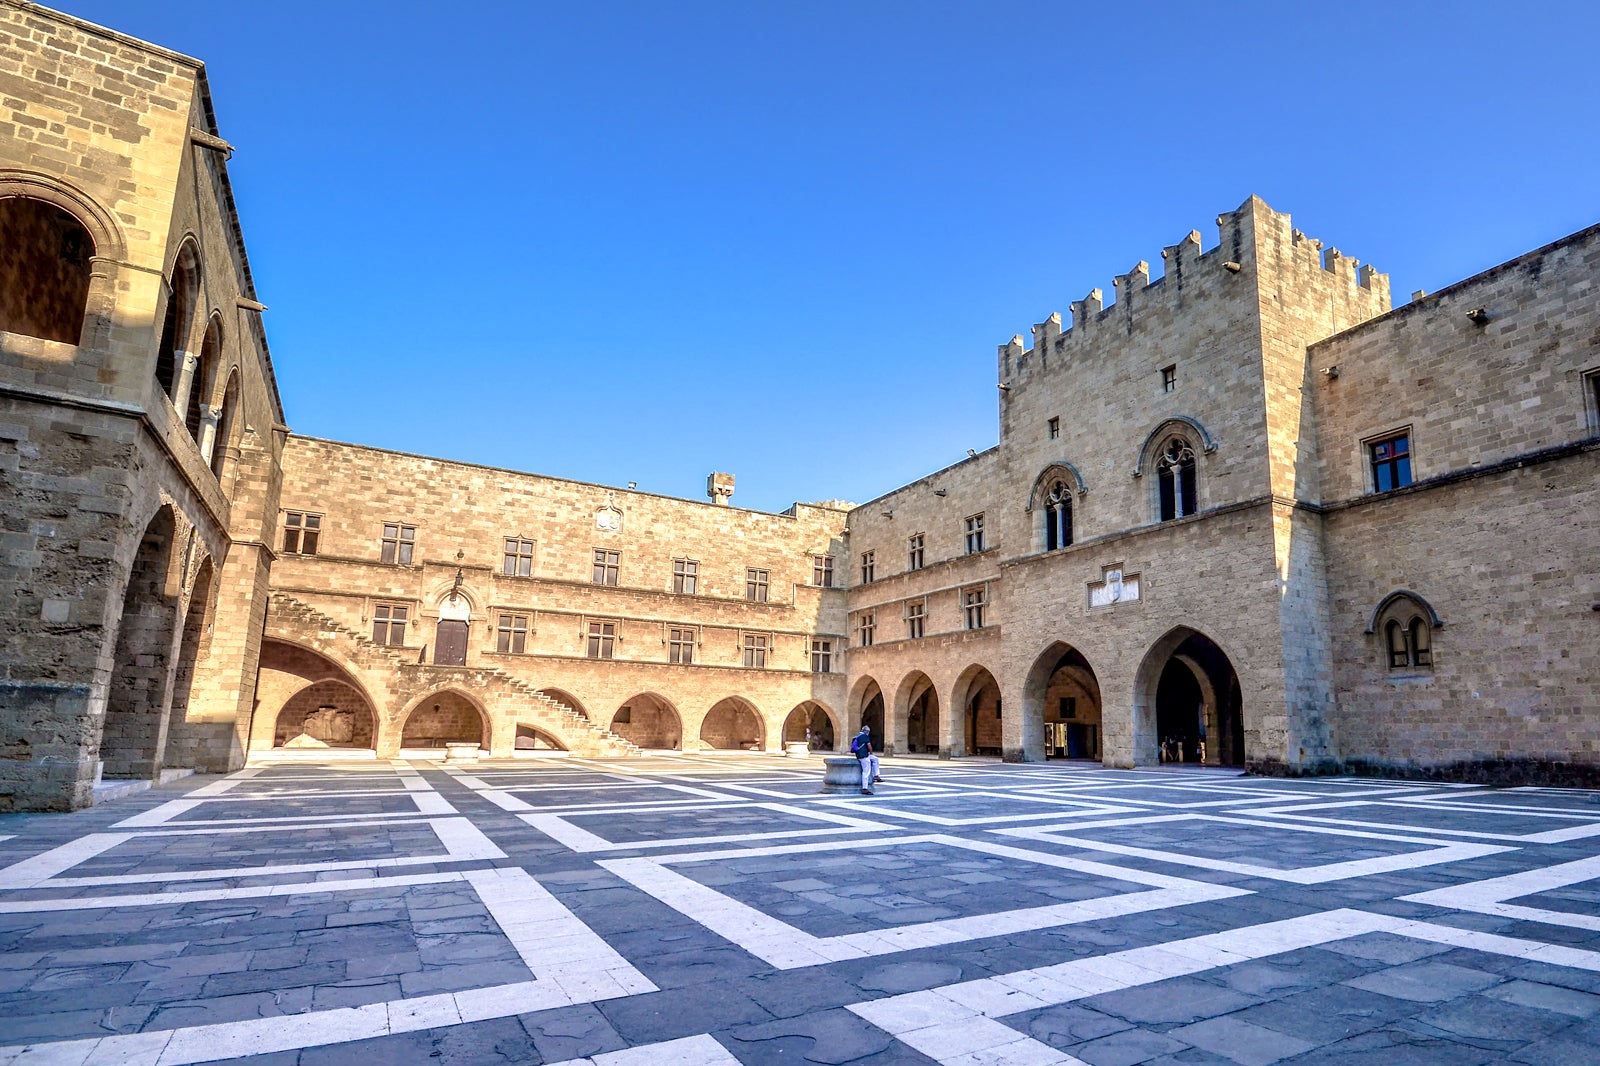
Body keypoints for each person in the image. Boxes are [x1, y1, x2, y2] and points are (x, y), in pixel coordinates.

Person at [851, 724, 882, 795]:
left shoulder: (857, 736)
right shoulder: (864, 736)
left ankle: (876, 775)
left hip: (861, 755)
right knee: (866, 772)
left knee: (875, 759)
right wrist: (871, 752)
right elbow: (869, 746)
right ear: (867, 731)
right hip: (864, 756)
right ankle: (864, 788)